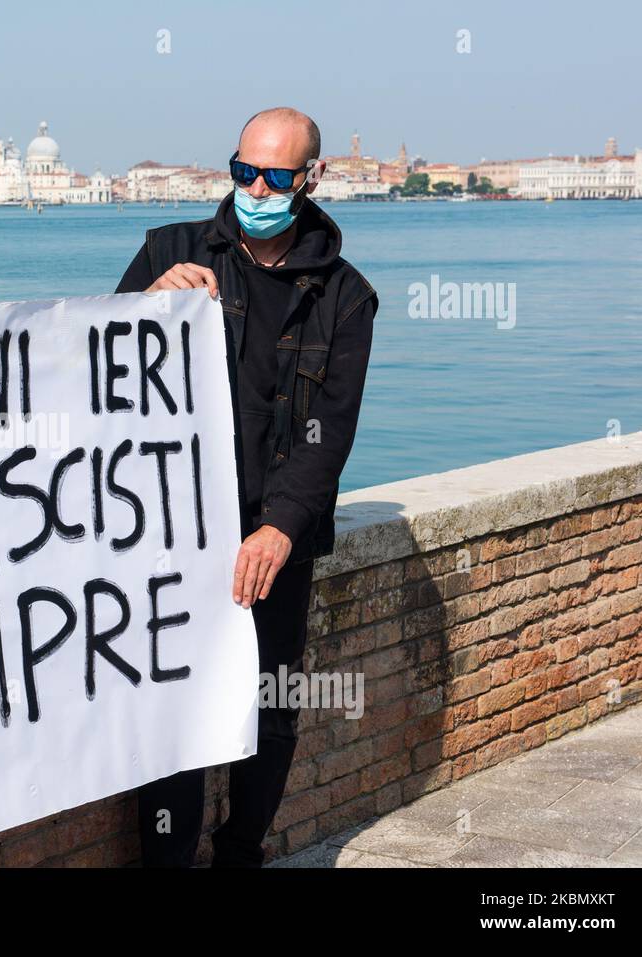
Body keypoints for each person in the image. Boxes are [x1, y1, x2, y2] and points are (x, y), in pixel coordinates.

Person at [116, 107, 378, 867]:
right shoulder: (168, 250)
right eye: (243, 171)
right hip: (174, 534)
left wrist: (282, 526)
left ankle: (240, 854)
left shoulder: (347, 298)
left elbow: (331, 430)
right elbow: (92, 366)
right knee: (176, 712)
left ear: (312, 179)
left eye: (276, 176)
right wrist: (146, 306)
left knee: (270, 712)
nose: (256, 187)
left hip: (273, 542)